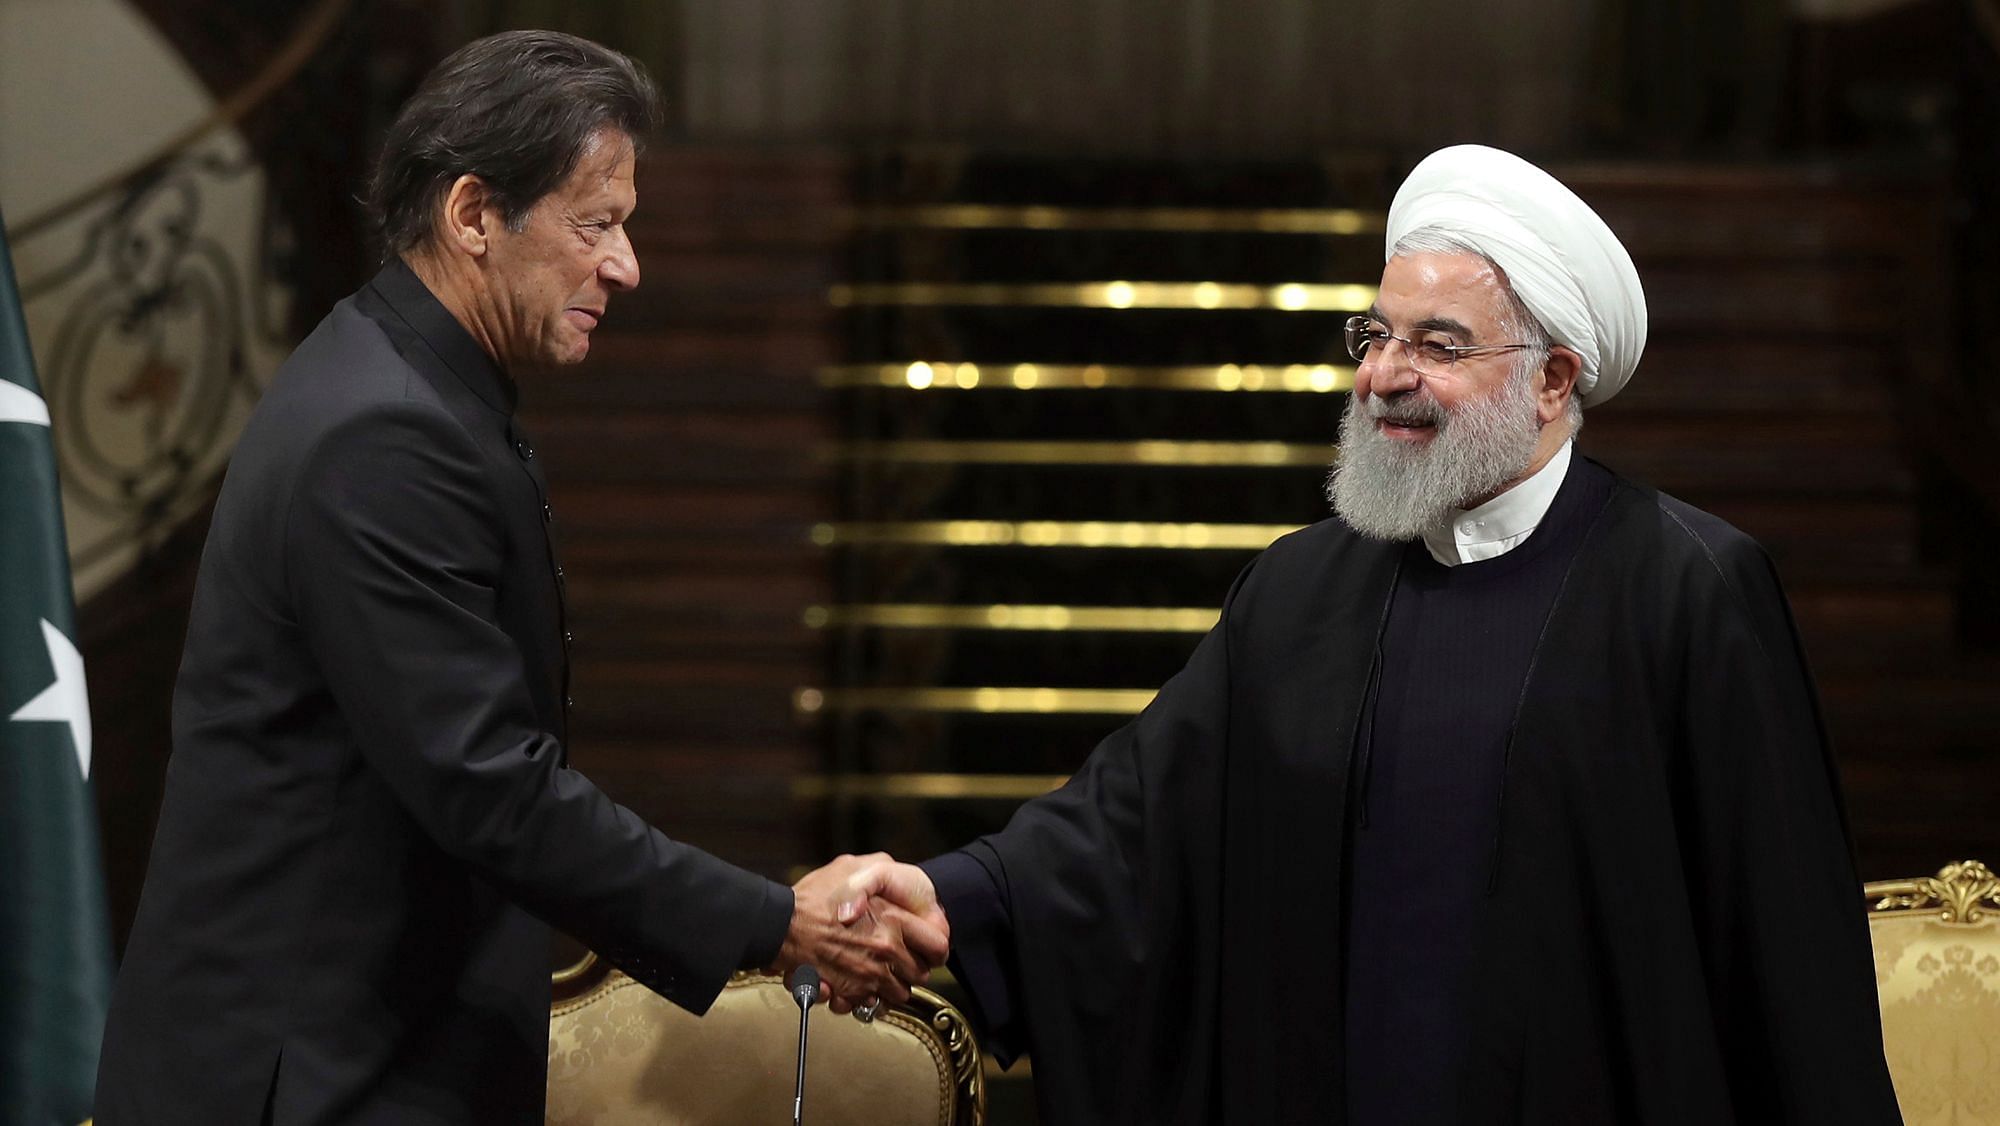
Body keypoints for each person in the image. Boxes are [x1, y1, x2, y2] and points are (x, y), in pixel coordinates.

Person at [862, 145, 1904, 1123]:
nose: (1381, 375)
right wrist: (946, 894)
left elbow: (1784, 957)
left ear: (1552, 379)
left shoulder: (1685, 591)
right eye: (1375, 335)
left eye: (1435, 345)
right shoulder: (1301, 590)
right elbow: (1131, 823)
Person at [94, 31, 943, 1125]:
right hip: (303, 1084)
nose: (625, 265)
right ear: (471, 215)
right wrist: (776, 919)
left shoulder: (407, 385)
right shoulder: (383, 433)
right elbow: (490, 788)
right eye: (596, 224)